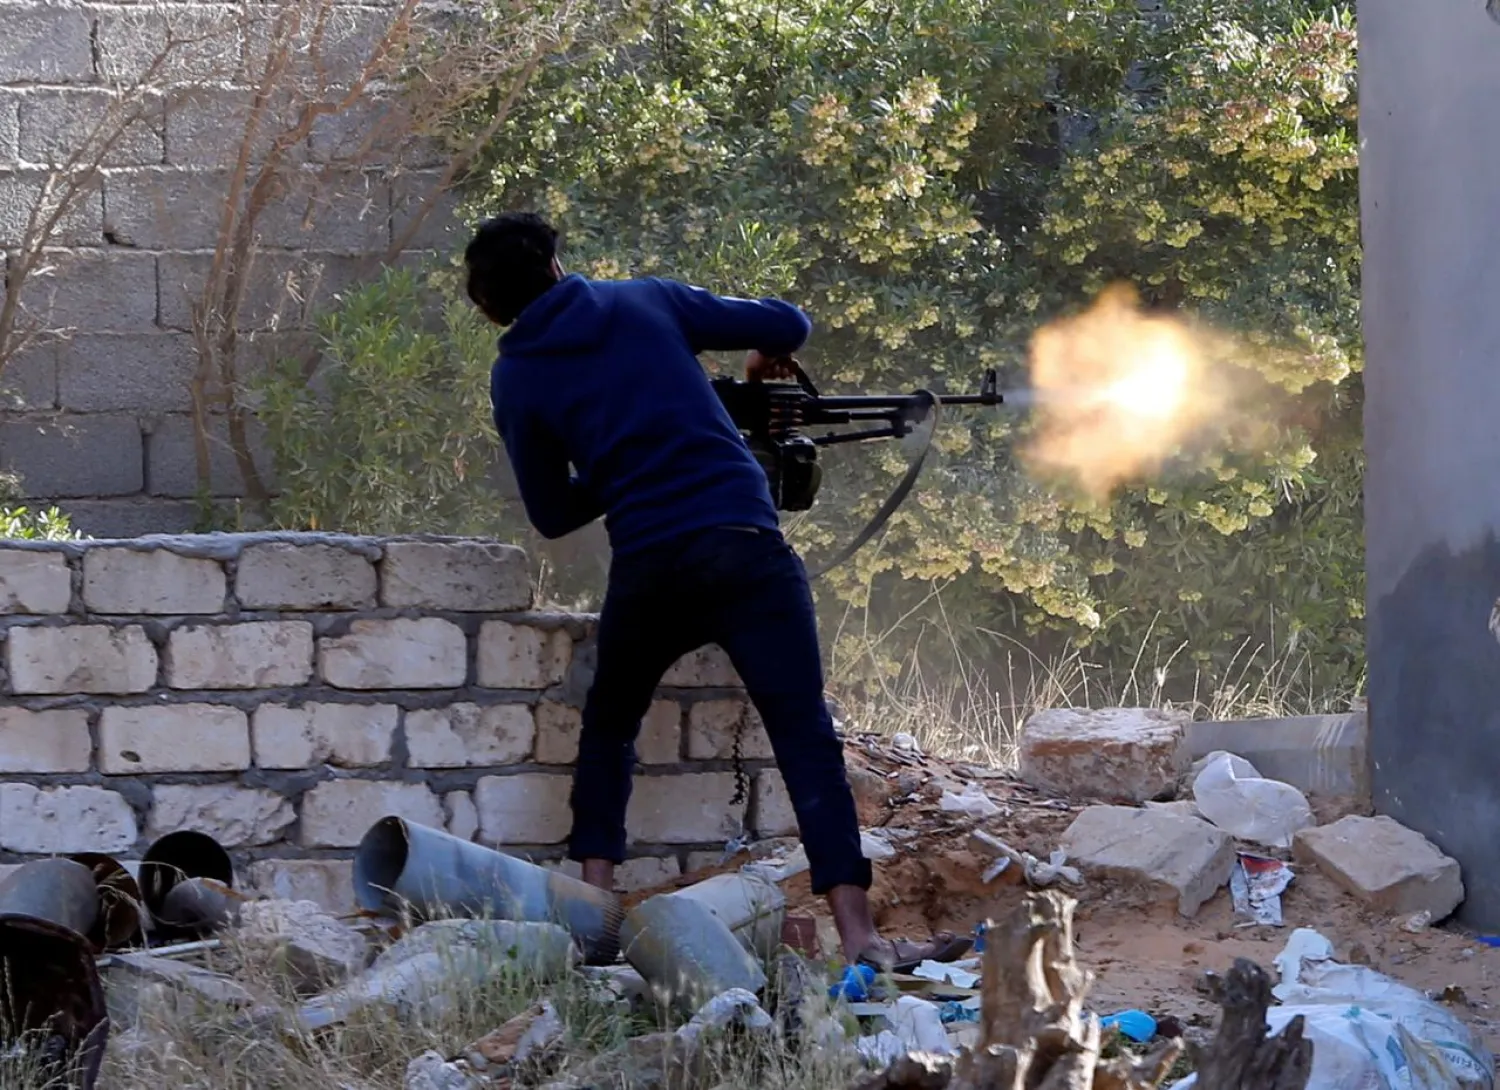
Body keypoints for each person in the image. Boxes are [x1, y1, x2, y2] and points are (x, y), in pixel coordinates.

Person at [464, 211, 970, 972]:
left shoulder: (516, 374)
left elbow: (552, 512)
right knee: (805, 740)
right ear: (558, 267)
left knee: (608, 732)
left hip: (649, 565)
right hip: (743, 544)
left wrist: (623, 457)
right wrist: (734, 385)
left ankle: (590, 917)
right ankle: (862, 938)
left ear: (491, 310)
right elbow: (788, 322)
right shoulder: (643, 301)